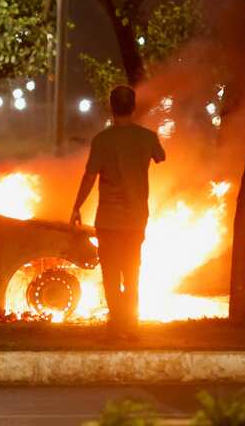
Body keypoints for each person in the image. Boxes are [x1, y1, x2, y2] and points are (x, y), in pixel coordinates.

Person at [70, 85, 165, 337]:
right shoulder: (147, 137)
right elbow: (160, 156)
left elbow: (89, 177)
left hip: (108, 220)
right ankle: (131, 326)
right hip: (136, 219)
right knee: (132, 271)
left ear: (111, 107)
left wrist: (77, 206)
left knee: (111, 273)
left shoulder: (102, 140)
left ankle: (116, 326)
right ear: (133, 107)